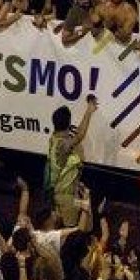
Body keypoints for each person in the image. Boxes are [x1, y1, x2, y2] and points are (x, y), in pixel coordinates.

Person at [46, 95, 98, 227]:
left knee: (87, 219)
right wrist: (89, 111)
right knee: (72, 232)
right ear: (68, 124)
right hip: (67, 199)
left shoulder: (55, 139)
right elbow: (80, 135)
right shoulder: (62, 145)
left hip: (69, 194)